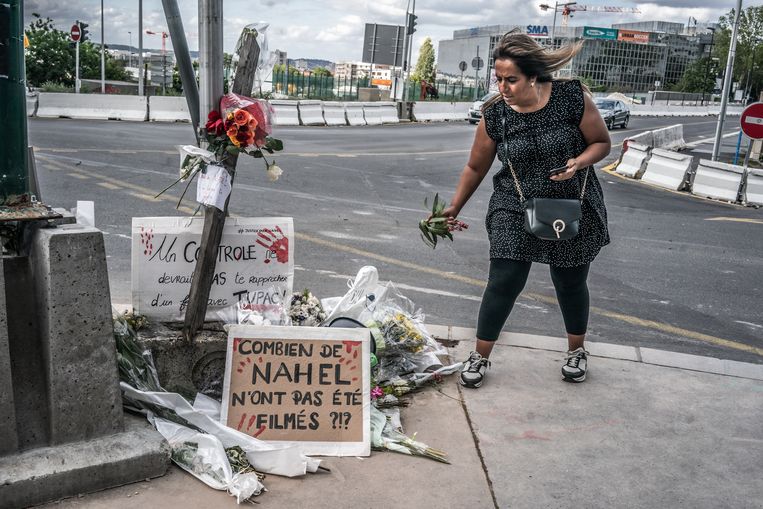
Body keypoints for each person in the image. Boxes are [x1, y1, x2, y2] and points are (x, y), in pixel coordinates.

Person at [438, 31, 611, 387]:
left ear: (533, 76)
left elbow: (601, 142)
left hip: (570, 200)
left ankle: (576, 351)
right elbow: (475, 167)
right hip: (513, 202)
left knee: (570, 280)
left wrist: (578, 163)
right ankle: (479, 356)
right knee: (504, 278)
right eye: (498, 79)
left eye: (511, 80)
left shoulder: (570, 98)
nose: (503, 87)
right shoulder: (495, 115)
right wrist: (453, 207)